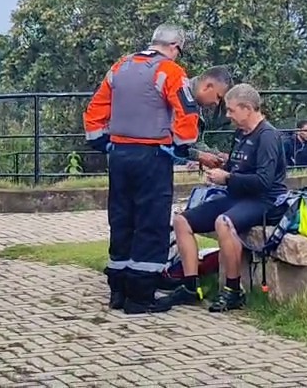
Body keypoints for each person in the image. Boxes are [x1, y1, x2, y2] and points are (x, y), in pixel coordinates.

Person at [82, 24, 231, 314]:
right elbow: (186, 114)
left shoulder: (120, 67)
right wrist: (182, 148)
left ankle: (118, 291)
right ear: (175, 47)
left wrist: (105, 144)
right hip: (152, 157)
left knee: (122, 221)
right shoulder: (171, 72)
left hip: (120, 157)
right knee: (151, 224)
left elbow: (95, 110)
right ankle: (140, 297)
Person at [158, 83, 287, 312]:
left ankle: (233, 290)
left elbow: (264, 181)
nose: (228, 115)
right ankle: (190, 286)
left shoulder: (268, 136)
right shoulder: (241, 133)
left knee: (223, 223)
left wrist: (227, 178)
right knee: (181, 220)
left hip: (263, 201)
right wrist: (219, 169)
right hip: (236, 196)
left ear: (247, 108)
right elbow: (235, 167)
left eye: (231, 110)